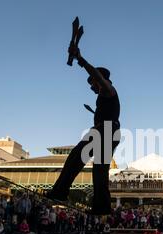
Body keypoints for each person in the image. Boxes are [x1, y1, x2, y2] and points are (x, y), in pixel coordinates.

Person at [48, 42, 121, 215]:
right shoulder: (104, 97)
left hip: (105, 131)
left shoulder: (108, 90)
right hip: (107, 131)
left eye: (92, 83)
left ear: (99, 80)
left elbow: (98, 77)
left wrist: (80, 59)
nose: (91, 87)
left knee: (76, 157)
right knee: (100, 169)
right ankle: (101, 207)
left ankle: (60, 192)